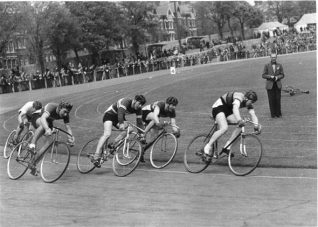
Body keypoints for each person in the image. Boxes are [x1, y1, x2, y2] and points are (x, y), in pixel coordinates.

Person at [203, 90, 260, 162]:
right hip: (219, 108)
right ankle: (208, 146)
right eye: (251, 102)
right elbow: (235, 108)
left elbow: (253, 115)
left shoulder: (248, 104)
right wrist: (239, 120)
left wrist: (256, 126)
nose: (251, 104)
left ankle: (227, 147)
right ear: (246, 99)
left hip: (228, 112)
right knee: (224, 128)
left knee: (241, 127)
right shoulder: (239, 96)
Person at [91, 95, 146, 167]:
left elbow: (139, 123)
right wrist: (121, 123)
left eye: (142, 104)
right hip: (109, 115)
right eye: (139, 103)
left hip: (119, 118)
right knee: (107, 134)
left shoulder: (139, 109)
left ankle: (113, 144)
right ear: (135, 100)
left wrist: (142, 134)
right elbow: (120, 112)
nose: (140, 106)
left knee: (130, 129)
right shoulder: (126, 101)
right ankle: (96, 155)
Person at [28, 101, 74, 175]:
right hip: (38, 117)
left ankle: (33, 163)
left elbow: (68, 127)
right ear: (59, 108)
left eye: (67, 112)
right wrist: (47, 129)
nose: (65, 114)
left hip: (48, 121)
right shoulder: (51, 106)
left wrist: (70, 137)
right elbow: (43, 118)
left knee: (49, 144)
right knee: (43, 126)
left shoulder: (65, 114)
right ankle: (32, 145)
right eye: (65, 111)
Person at [140, 97, 181, 162]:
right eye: (172, 105)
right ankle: (143, 134)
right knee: (155, 120)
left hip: (153, 118)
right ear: (167, 104)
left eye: (175, 105)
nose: (174, 107)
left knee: (154, 138)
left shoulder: (172, 111)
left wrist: (176, 131)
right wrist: (158, 123)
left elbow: (173, 124)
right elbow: (155, 115)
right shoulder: (160, 104)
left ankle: (142, 151)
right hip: (144, 113)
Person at [262, 53, 285, 118]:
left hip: (277, 84)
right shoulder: (266, 65)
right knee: (271, 100)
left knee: (278, 99)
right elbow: (263, 75)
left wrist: (278, 77)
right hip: (270, 85)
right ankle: (273, 114)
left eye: (274, 57)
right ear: (270, 58)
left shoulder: (279, 65)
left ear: (276, 58)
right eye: (272, 57)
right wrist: (270, 76)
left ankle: (278, 113)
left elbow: (282, 74)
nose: (273, 58)